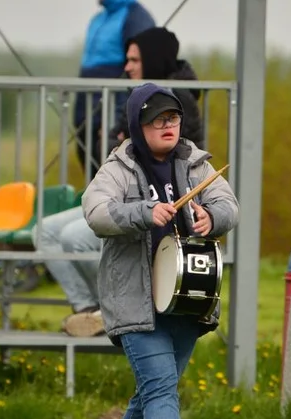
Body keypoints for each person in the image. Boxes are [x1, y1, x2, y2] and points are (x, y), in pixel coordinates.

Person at [82, 82, 238, 419]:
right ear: (138, 125)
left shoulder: (197, 163)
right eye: (157, 120)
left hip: (189, 298)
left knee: (154, 389)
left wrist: (211, 217)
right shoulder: (117, 168)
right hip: (135, 299)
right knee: (160, 387)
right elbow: (96, 213)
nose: (168, 126)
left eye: (173, 118)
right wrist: (143, 212)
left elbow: (229, 206)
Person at [42, 27, 204, 338]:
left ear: (153, 61)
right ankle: (89, 312)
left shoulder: (177, 101)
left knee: (74, 237)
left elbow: (163, 159)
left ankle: (114, 307)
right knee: (46, 232)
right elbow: (120, 150)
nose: (126, 67)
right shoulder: (136, 96)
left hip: (153, 207)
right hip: (120, 198)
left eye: (134, 60)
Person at [75, 0, 155, 174]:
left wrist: (118, 122)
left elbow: (140, 75)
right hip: (88, 119)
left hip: (110, 123)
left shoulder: (136, 19)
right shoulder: (97, 20)